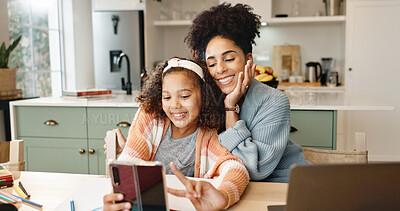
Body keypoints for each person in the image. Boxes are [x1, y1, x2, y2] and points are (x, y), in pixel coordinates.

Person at [184, 3, 309, 183]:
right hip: (233, 187)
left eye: (228, 59)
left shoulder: (273, 101)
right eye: (211, 64)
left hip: (285, 187)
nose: (220, 69)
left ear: (248, 59)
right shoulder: (206, 100)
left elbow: (254, 169)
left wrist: (230, 108)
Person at [103, 58, 249, 211]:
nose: (175, 105)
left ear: (204, 98)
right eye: (167, 97)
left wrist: (224, 196)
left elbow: (236, 168)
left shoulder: (207, 136)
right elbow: (130, 160)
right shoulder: (151, 117)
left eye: (185, 96)